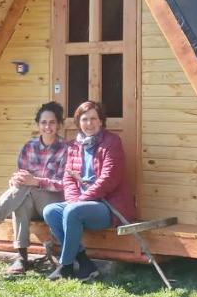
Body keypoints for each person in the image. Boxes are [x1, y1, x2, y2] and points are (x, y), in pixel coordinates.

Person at [0, 101, 69, 275]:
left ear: (59, 125)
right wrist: (15, 182)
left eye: (52, 122)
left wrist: (36, 181)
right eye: (44, 122)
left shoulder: (66, 149)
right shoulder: (28, 147)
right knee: (21, 198)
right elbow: (19, 177)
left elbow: (64, 184)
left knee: (26, 189)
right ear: (38, 124)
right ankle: (22, 258)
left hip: (52, 203)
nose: (48, 126)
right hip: (28, 198)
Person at [42, 100, 136, 281]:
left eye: (94, 119)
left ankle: (66, 266)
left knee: (72, 210)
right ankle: (84, 262)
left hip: (109, 206)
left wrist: (81, 200)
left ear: (101, 121)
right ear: (78, 122)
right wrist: (73, 199)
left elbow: (109, 179)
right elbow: (68, 178)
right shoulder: (74, 147)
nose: (89, 123)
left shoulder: (112, 142)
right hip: (81, 204)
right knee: (51, 211)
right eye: (85, 119)